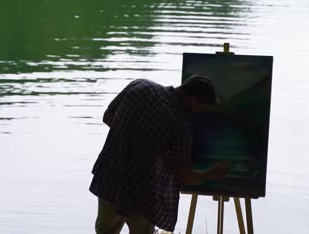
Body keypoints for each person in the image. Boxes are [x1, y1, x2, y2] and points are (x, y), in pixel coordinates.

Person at [89, 74, 229, 234]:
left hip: (110, 177)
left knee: (105, 230)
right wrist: (213, 173)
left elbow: (108, 117)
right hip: (143, 193)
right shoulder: (178, 126)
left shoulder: (139, 86)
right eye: (200, 109)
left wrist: (131, 140)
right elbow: (185, 176)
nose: (197, 113)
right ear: (192, 101)